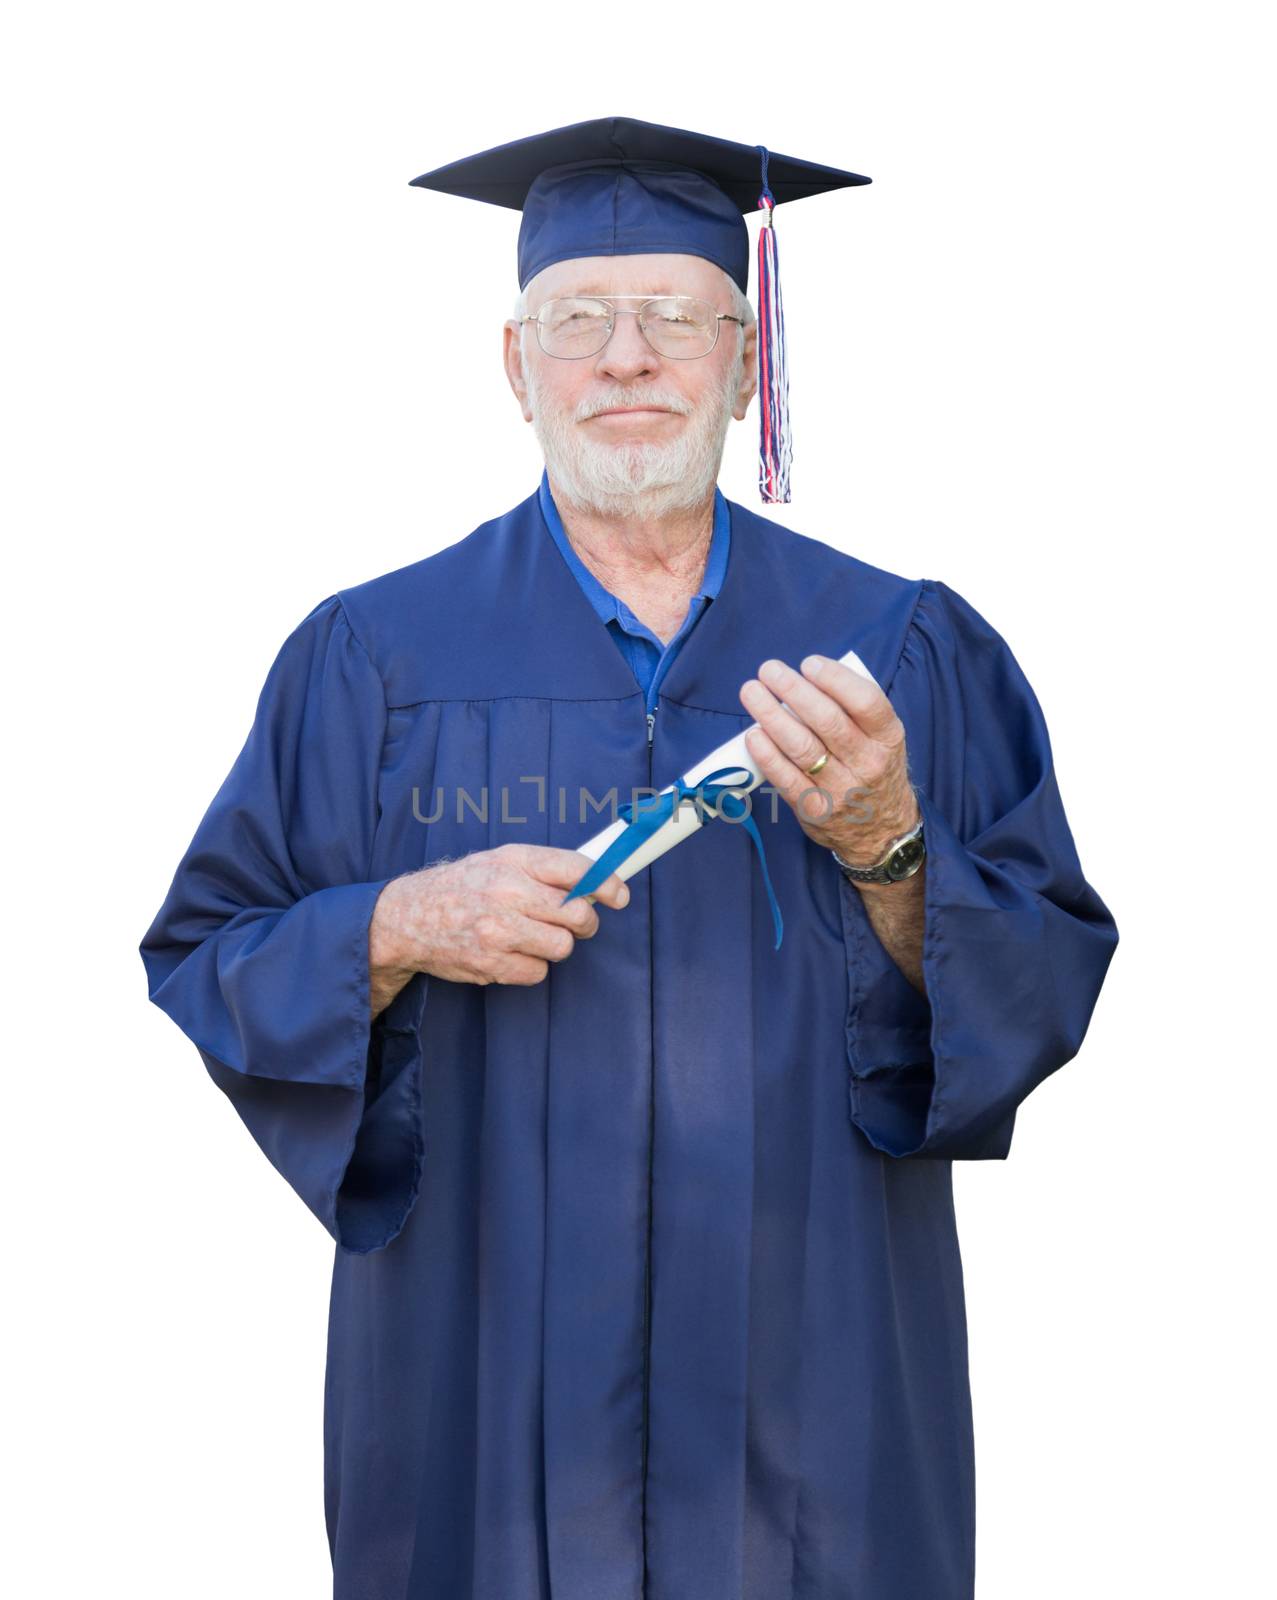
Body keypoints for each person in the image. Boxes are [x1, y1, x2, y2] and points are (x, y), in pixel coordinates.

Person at [139, 116, 1119, 1600]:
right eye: (576, 321)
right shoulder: (372, 657)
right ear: (512, 366)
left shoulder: (903, 650)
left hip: (819, 1386)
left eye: (674, 317)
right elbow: (209, 953)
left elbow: (1045, 978)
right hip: (484, 1371)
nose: (625, 359)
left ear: (745, 364)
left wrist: (887, 848)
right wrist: (394, 922)